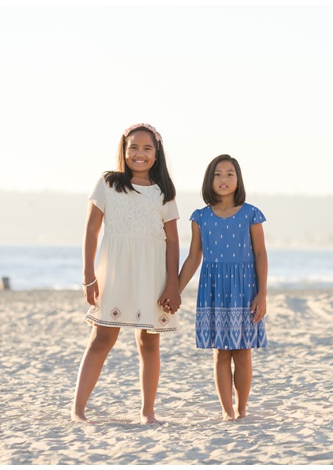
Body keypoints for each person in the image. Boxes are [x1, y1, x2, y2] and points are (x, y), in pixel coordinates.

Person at [71, 123, 181, 424]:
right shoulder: (108, 183)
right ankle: (78, 410)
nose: (139, 154)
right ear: (124, 150)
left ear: (156, 154)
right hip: (116, 271)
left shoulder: (165, 192)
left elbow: (173, 241)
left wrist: (173, 284)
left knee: (149, 341)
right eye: (133, 147)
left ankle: (147, 412)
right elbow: (91, 230)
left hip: (152, 274)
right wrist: (88, 275)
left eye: (147, 148)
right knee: (102, 337)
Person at [178, 154, 268, 421]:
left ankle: (242, 409)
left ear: (238, 180)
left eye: (230, 174)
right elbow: (194, 257)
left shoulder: (251, 214)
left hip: (245, 288)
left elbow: (261, 254)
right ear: (209, 180)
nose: (224, 179)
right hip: (214, 288)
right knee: (220, 353)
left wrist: (262, 294)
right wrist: (176, 290)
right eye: (217, 174)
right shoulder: (200, 217)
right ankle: (227, 411)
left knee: (242, 352)